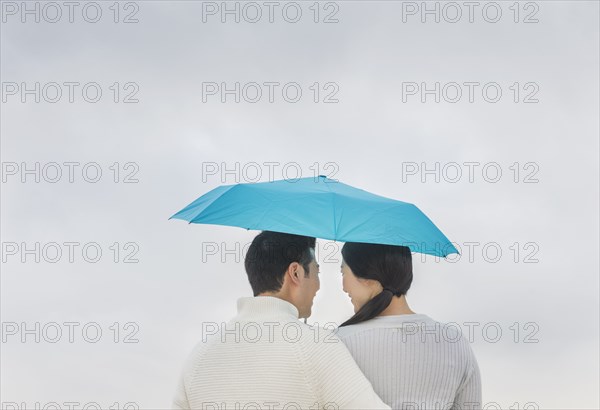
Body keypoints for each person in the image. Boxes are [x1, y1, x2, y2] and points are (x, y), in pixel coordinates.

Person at [172, 231, 390, 410]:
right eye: (316, 271)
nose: (318, 285)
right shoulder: (319, 347)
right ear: (295, 272)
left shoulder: (200, 355)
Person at [335, 242, 482, 410]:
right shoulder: (454, 342)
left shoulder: (337, 343)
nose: (343, 287)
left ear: (368, 278)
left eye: (343, 272)